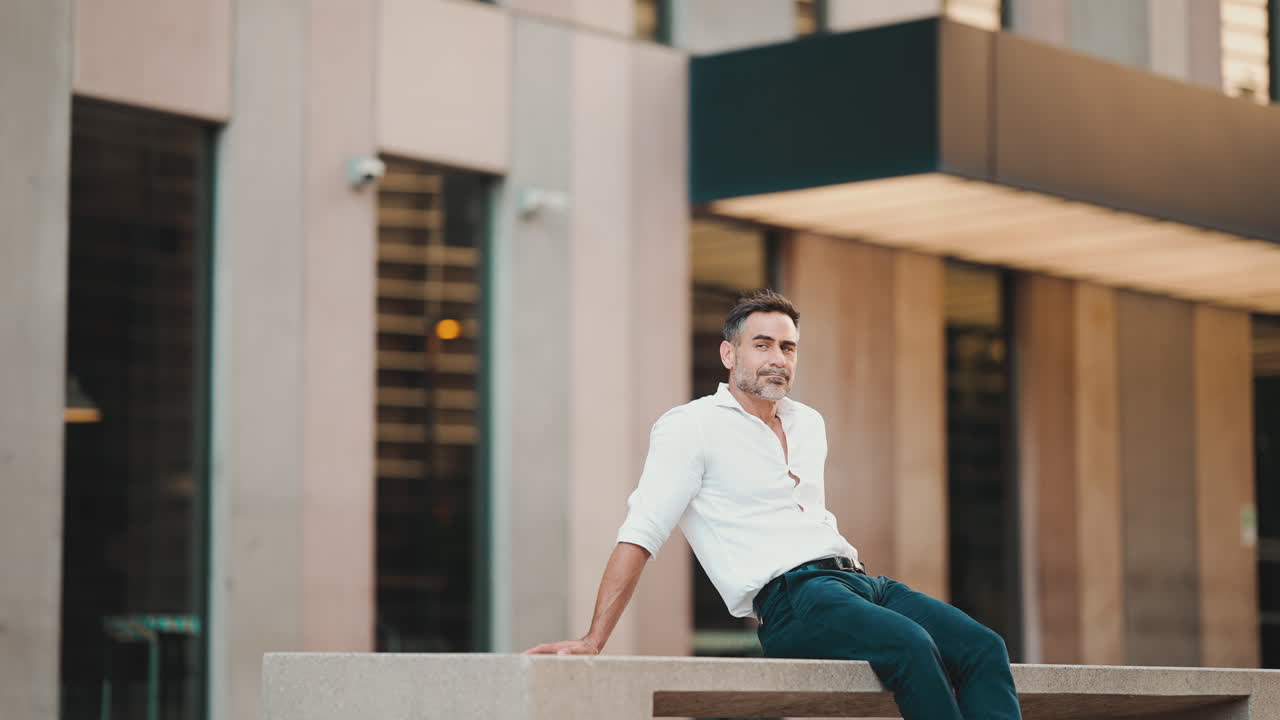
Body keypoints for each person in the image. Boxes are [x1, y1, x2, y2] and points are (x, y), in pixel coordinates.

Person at [525, 289, 1022, 720]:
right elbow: (642, 531)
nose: (777, 358)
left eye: (787, 347)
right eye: (761, 345)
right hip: (792, 602)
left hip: (860, 584)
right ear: (728, 353)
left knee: (984, 648)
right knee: (912, 646)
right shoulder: (690, 426)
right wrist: (593, 639)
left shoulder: (809, 423)